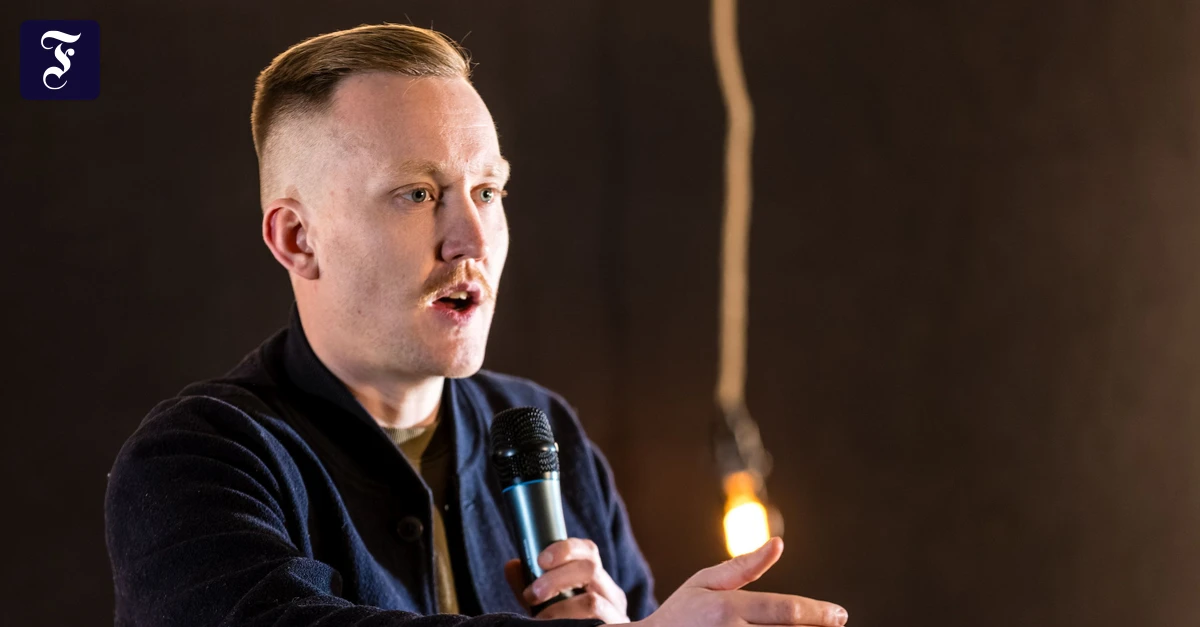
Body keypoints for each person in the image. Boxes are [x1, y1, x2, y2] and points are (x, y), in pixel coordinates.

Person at [103, 23, 850, 627]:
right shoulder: (198, 459)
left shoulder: (545, 429)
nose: (472, 240)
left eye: (488, 191)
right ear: (298, 239)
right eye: (418, 193)